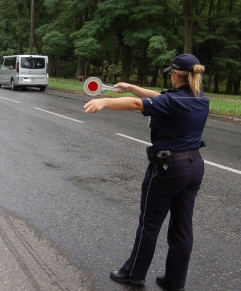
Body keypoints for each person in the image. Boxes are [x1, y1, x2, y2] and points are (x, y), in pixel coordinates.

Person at [83, 54, 209, 291]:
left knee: (149, 223)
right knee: (182, 227)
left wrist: (104, 101)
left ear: (175, 75)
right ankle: (174, 280)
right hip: (194, 167)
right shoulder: (200, 99)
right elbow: (156, 97)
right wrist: (131, 87)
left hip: (168, 169)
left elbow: (137, 105)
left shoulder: (173, 102)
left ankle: (133, 273)